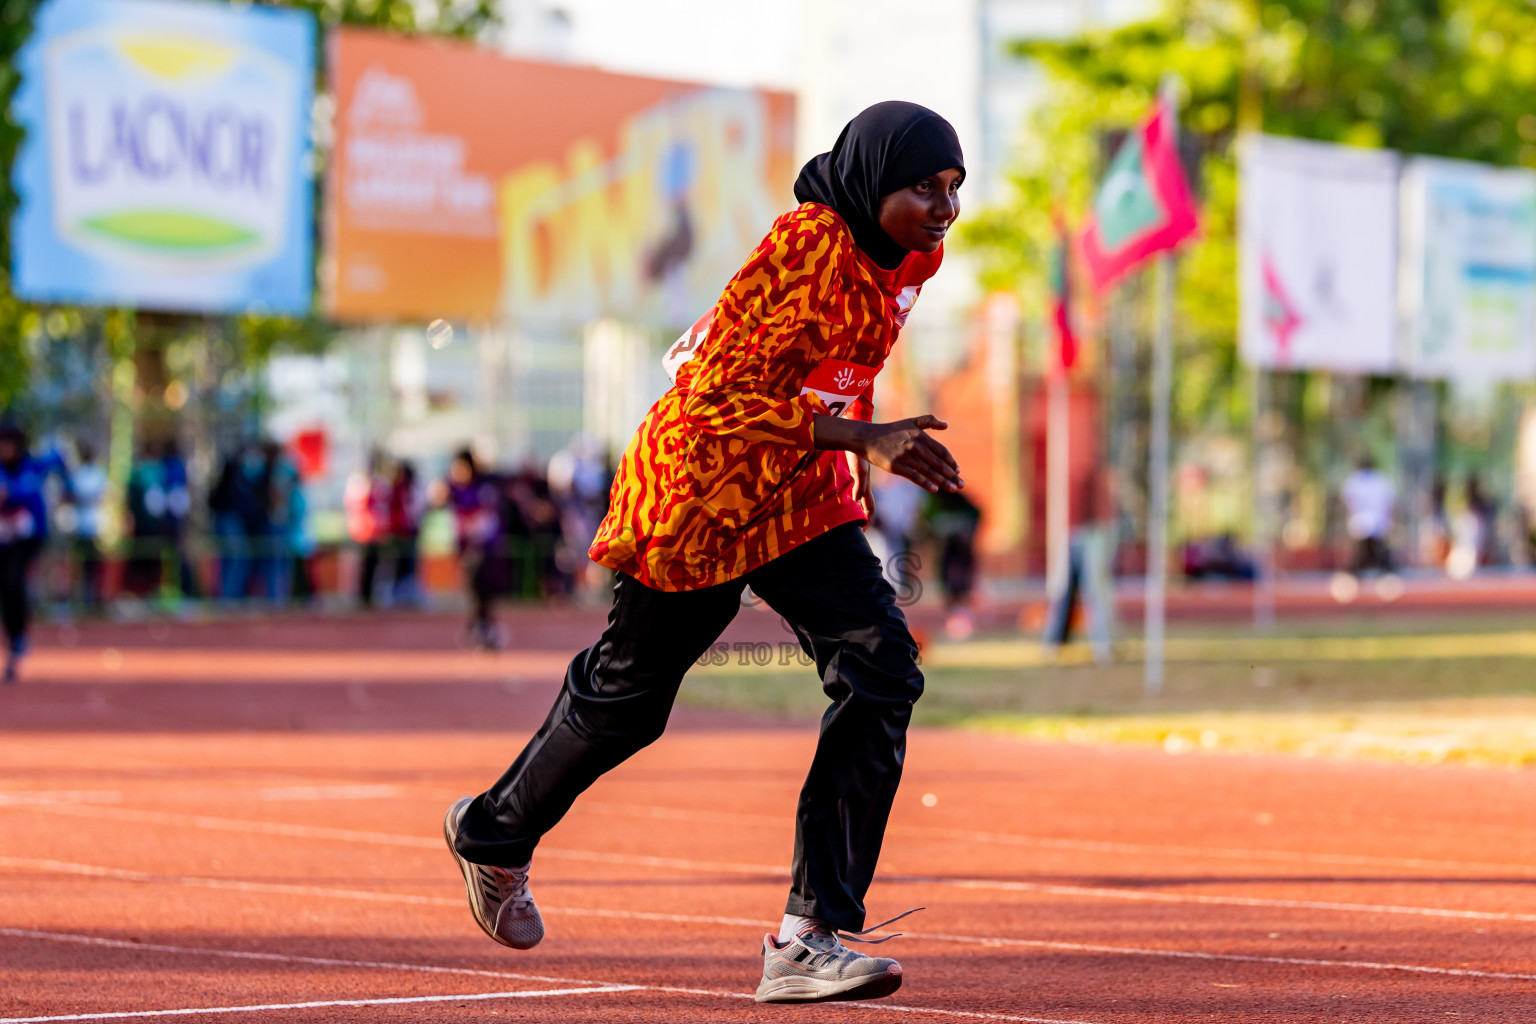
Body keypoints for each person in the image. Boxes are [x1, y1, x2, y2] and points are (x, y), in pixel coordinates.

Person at [441, 101, 966, 1003]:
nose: (943, 207)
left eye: (956, 188)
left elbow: (838, 365)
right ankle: (492, 832)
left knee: (882, 668)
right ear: (874, 180)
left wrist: (858, 454)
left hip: (799, 490)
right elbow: (714, 397)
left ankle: (808, 938)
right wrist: (862, 437)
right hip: (702, 484)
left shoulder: (917, 258)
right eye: (924, 187)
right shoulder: (804, 247)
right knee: (627, 703)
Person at [0, 424, 67, 683]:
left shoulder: (33, 466)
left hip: (28, 538)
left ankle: (19, 637)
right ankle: (14, 636)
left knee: (13, 580)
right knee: (5, 589)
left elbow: (59, 458)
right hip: (4, 538)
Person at [441, 448, 503, 648]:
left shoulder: (482, 489)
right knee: (473, 589)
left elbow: (486, 519)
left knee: (479, 585)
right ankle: (481, 626)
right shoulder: (455, 489)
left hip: (484, 545)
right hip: (467, 547)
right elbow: (437, 496)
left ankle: (482, 628)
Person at [344, 451, 392, 608]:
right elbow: (354, 505)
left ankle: (371, 594)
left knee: (374, 564)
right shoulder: (359, 484)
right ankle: (361, 595)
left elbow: (384, 507)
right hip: (361, 532)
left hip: (375, 532)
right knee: (361, 564)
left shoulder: (381, 484)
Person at [68, 442, 108, 611]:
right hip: (81, 525)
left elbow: (101, 494)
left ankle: (95, 597)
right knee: (81, 564)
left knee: (94, 564)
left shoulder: (94, 473)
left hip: (93, 524)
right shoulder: (80, 473)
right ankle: (82, 597)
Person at [1341, 455, 1395, 574]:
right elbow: (1389, 504)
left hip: (1367, 521)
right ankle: (1381, 567)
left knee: (1375, 548)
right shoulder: (1380, 480)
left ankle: (1383, 566)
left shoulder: (1355, 481)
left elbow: (1347, 503)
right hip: (1373, 521)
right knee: (1368, 548)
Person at [388, 460, 424, 606]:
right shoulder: (396, 490)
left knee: (410, 562)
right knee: (398, 563)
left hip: (411, 531)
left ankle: (409, 593)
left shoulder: (414, 490)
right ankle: (398, 594)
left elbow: (418, 509)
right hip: (399, 532)